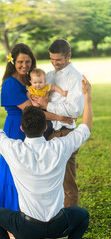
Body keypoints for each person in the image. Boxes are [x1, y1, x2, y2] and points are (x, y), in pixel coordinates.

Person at [0, 73, 92, 239]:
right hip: (58, 226)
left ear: (21, 128)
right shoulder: (59, 147)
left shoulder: (14, 149)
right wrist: (87, 96)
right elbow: (86, 127)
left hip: (27, 229)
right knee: (83, 215)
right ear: (44, 129)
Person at [0, 43, 74, 213]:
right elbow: (33, 111)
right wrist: (61, 117)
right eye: (20, 62)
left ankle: (35, 213)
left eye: (28, 61)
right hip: (18, 128)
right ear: (13, 62)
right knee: (15, 171)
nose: (24, 65)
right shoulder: (10, 84)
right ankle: (14, 214)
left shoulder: (33, 80)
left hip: (37, 130)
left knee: (34, 172)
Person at [31, 39, 85, 207]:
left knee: (68, 183)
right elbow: (36, 98)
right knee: (50, 182)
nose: (54, 63)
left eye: (58, 60)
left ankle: (71, 223)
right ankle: (55, 219)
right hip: (48, 132)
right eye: (52, 59)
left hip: (65, 132)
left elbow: (75, 109)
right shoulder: (47, 75)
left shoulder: (75, 77)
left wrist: (47, 106)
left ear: (68, 56)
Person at [27, 68, 68, 139]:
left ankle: (46, 135)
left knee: (48, 124)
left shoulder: (45, 87)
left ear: (45, 81)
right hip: (35, 109)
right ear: (31, 82)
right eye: (35, 83)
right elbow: (28, 94)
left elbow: (55, 88)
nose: (38, 85)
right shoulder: (31, 89)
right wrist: (32, 102)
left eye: (40, 82)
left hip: (46, 109)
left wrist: (62, 92)